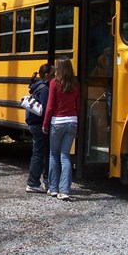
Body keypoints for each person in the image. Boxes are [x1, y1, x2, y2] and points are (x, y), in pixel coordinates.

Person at [42, 56, 80, 201]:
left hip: (57, 122)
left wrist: (45, 124)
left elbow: (50, 106)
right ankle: (64, 191)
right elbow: (78, 106)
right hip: (72, 122)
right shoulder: (76, 83)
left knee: (53, 154)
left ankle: (53, 188)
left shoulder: (54, 83)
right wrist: (78, 125)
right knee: (65, 156)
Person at [25, 63, 54, 193]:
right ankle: (34, 182)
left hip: (33, 123)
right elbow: (47, 108)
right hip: (40, 124)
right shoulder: (45, 89)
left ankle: (35, 182)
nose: (55, 77)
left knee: (39, 152)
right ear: (47, 75)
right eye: (53, 74)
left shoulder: (36, 86)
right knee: (42, 153)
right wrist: (46, 124)